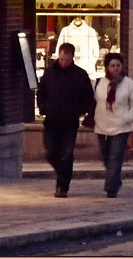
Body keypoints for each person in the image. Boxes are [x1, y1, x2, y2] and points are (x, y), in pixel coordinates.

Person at [36, 42, 95, 198]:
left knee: (66, 153)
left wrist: (79, 110)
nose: (63, 63)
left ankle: (62, 185)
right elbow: (41, 93)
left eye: (67, 60)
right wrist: (43, 108)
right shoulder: (49, 74)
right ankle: (63, 172)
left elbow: (88, 96)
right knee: (50, 153)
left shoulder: (80, 75)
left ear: (72, 58)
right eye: (61, 59)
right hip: (51, 120)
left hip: (69, 121)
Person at [93, 52, 133, 198]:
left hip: (121, 127)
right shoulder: (100, 83)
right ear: (107, 67)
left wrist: (127, 118)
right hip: (102, 126)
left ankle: (111, 188)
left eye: (118, 65)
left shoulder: (129, 85)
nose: (115, 68)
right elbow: (95, 102)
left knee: (115, 156)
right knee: (106, 157)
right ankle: (115, 180)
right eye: (112, 65)